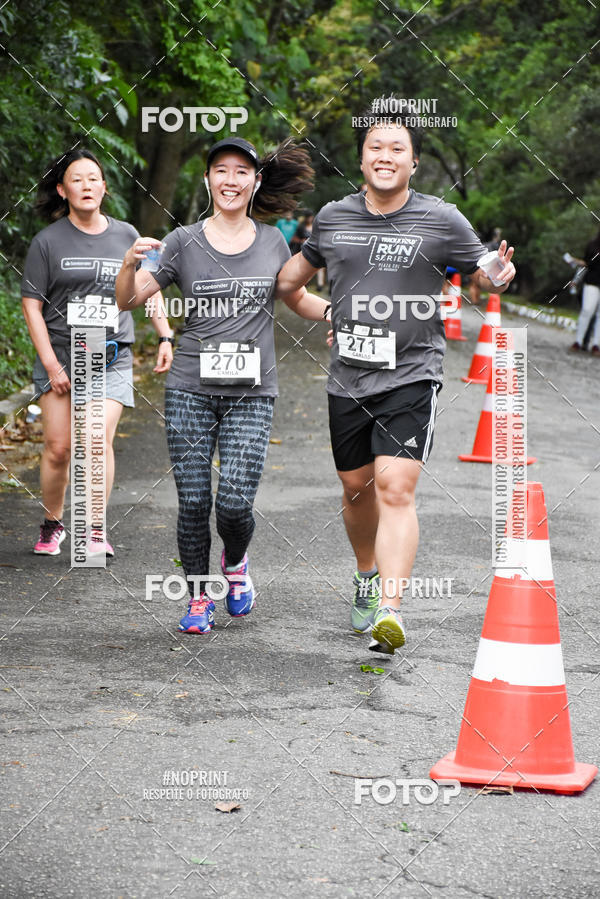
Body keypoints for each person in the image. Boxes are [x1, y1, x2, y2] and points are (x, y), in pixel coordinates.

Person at [277, 110, 516, 654]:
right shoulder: (334, 218)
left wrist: (497, 275)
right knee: (356, 488)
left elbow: (483, 271)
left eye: (397, 148)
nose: (385, 156)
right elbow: (289, 285)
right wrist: (330, 313)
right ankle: (366, 573)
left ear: (414, 162)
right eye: (375, 147)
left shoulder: (441, 218)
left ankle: (391, 609)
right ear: (361, 159)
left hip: (412, 373)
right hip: (348, 379)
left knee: (395, 488)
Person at [115, 137, 330, 634]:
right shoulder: (181, 242)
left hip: (252, 393)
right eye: (221, 170)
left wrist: (336, 313)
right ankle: (197, 598)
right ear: (208, 179)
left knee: (233, 504)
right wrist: (128, 265)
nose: (230, 180)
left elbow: (295, 296)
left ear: (255, 181)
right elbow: (128, 301)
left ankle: (235, 564)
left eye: (241, 172)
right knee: (193, 501)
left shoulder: (273, 242)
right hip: (189, 387)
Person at [21, 149, 173, 558]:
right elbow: (32, 306)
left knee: (94, 438)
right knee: (58, 449)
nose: (86, 186)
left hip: (110, 354)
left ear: (104, 188)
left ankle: (93, 529)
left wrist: (165, 335)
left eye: (93, 179)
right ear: (62, 190)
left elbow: (148, 287)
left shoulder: (128, 235)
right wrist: (51, 364)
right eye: (77, 179)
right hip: (62, 354)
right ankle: (53, 523)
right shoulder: (46, 242)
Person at [569, 227, 600, 354]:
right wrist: (576, 280)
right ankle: (578, 341)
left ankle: (596, 344)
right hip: (591, 282)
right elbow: (585, 264)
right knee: (587, 310)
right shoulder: (592, 245)